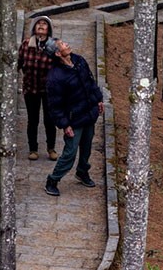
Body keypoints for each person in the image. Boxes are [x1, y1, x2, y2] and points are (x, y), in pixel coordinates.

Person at [43, 38, 104, 197]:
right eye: (62, 44)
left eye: (64, 42)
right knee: (70, 152)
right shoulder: (55, 77)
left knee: (87, 147)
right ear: (57, 53)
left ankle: (83, 172)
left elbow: (91, 83)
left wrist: (98, 99)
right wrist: (65, 124)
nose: (67, 44)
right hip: (73, 119)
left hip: (89, 113)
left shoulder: (79, 61)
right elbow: (54, 106)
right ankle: (53, 180)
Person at [17, 15, 58, 161]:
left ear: (49, 29)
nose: (41, 26)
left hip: (49, 90)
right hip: (31, 88)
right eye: (38, 24)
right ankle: (33, 149)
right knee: (32, 120)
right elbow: (19, 63)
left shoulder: (54, 46)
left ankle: (51, 148)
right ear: (34, 28)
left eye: (44, 24)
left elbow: (61, 66)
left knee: (49, 120)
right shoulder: (26, 44)